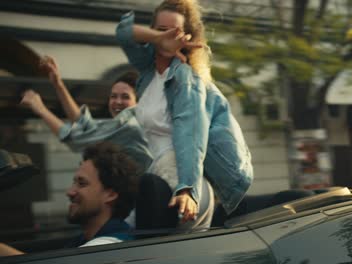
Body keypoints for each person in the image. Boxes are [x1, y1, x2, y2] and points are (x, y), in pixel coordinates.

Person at [116, 0, 254, 229]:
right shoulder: (149, 74)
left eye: (176, 31)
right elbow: (123, 33)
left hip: (180, 183)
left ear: (187, 37)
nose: (168, 35)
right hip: (157, 175)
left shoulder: (186, 79)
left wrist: (187, 189)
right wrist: (157, 38)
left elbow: (191, 133)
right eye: (161, 30)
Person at [0, 142, 139, 256]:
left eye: (82, 183)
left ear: (110, 195)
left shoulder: (108, 249)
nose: (70, 192)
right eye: (74, 183)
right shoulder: (84, 241)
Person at [20, 56, 153, 175]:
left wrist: (40, 108)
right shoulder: (126, 125)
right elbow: (85, 125)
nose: (117, 102)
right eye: (113, 96)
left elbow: (76, 138)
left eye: (125, 97)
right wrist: (58, 84)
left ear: (138, 102)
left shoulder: (131, 126)